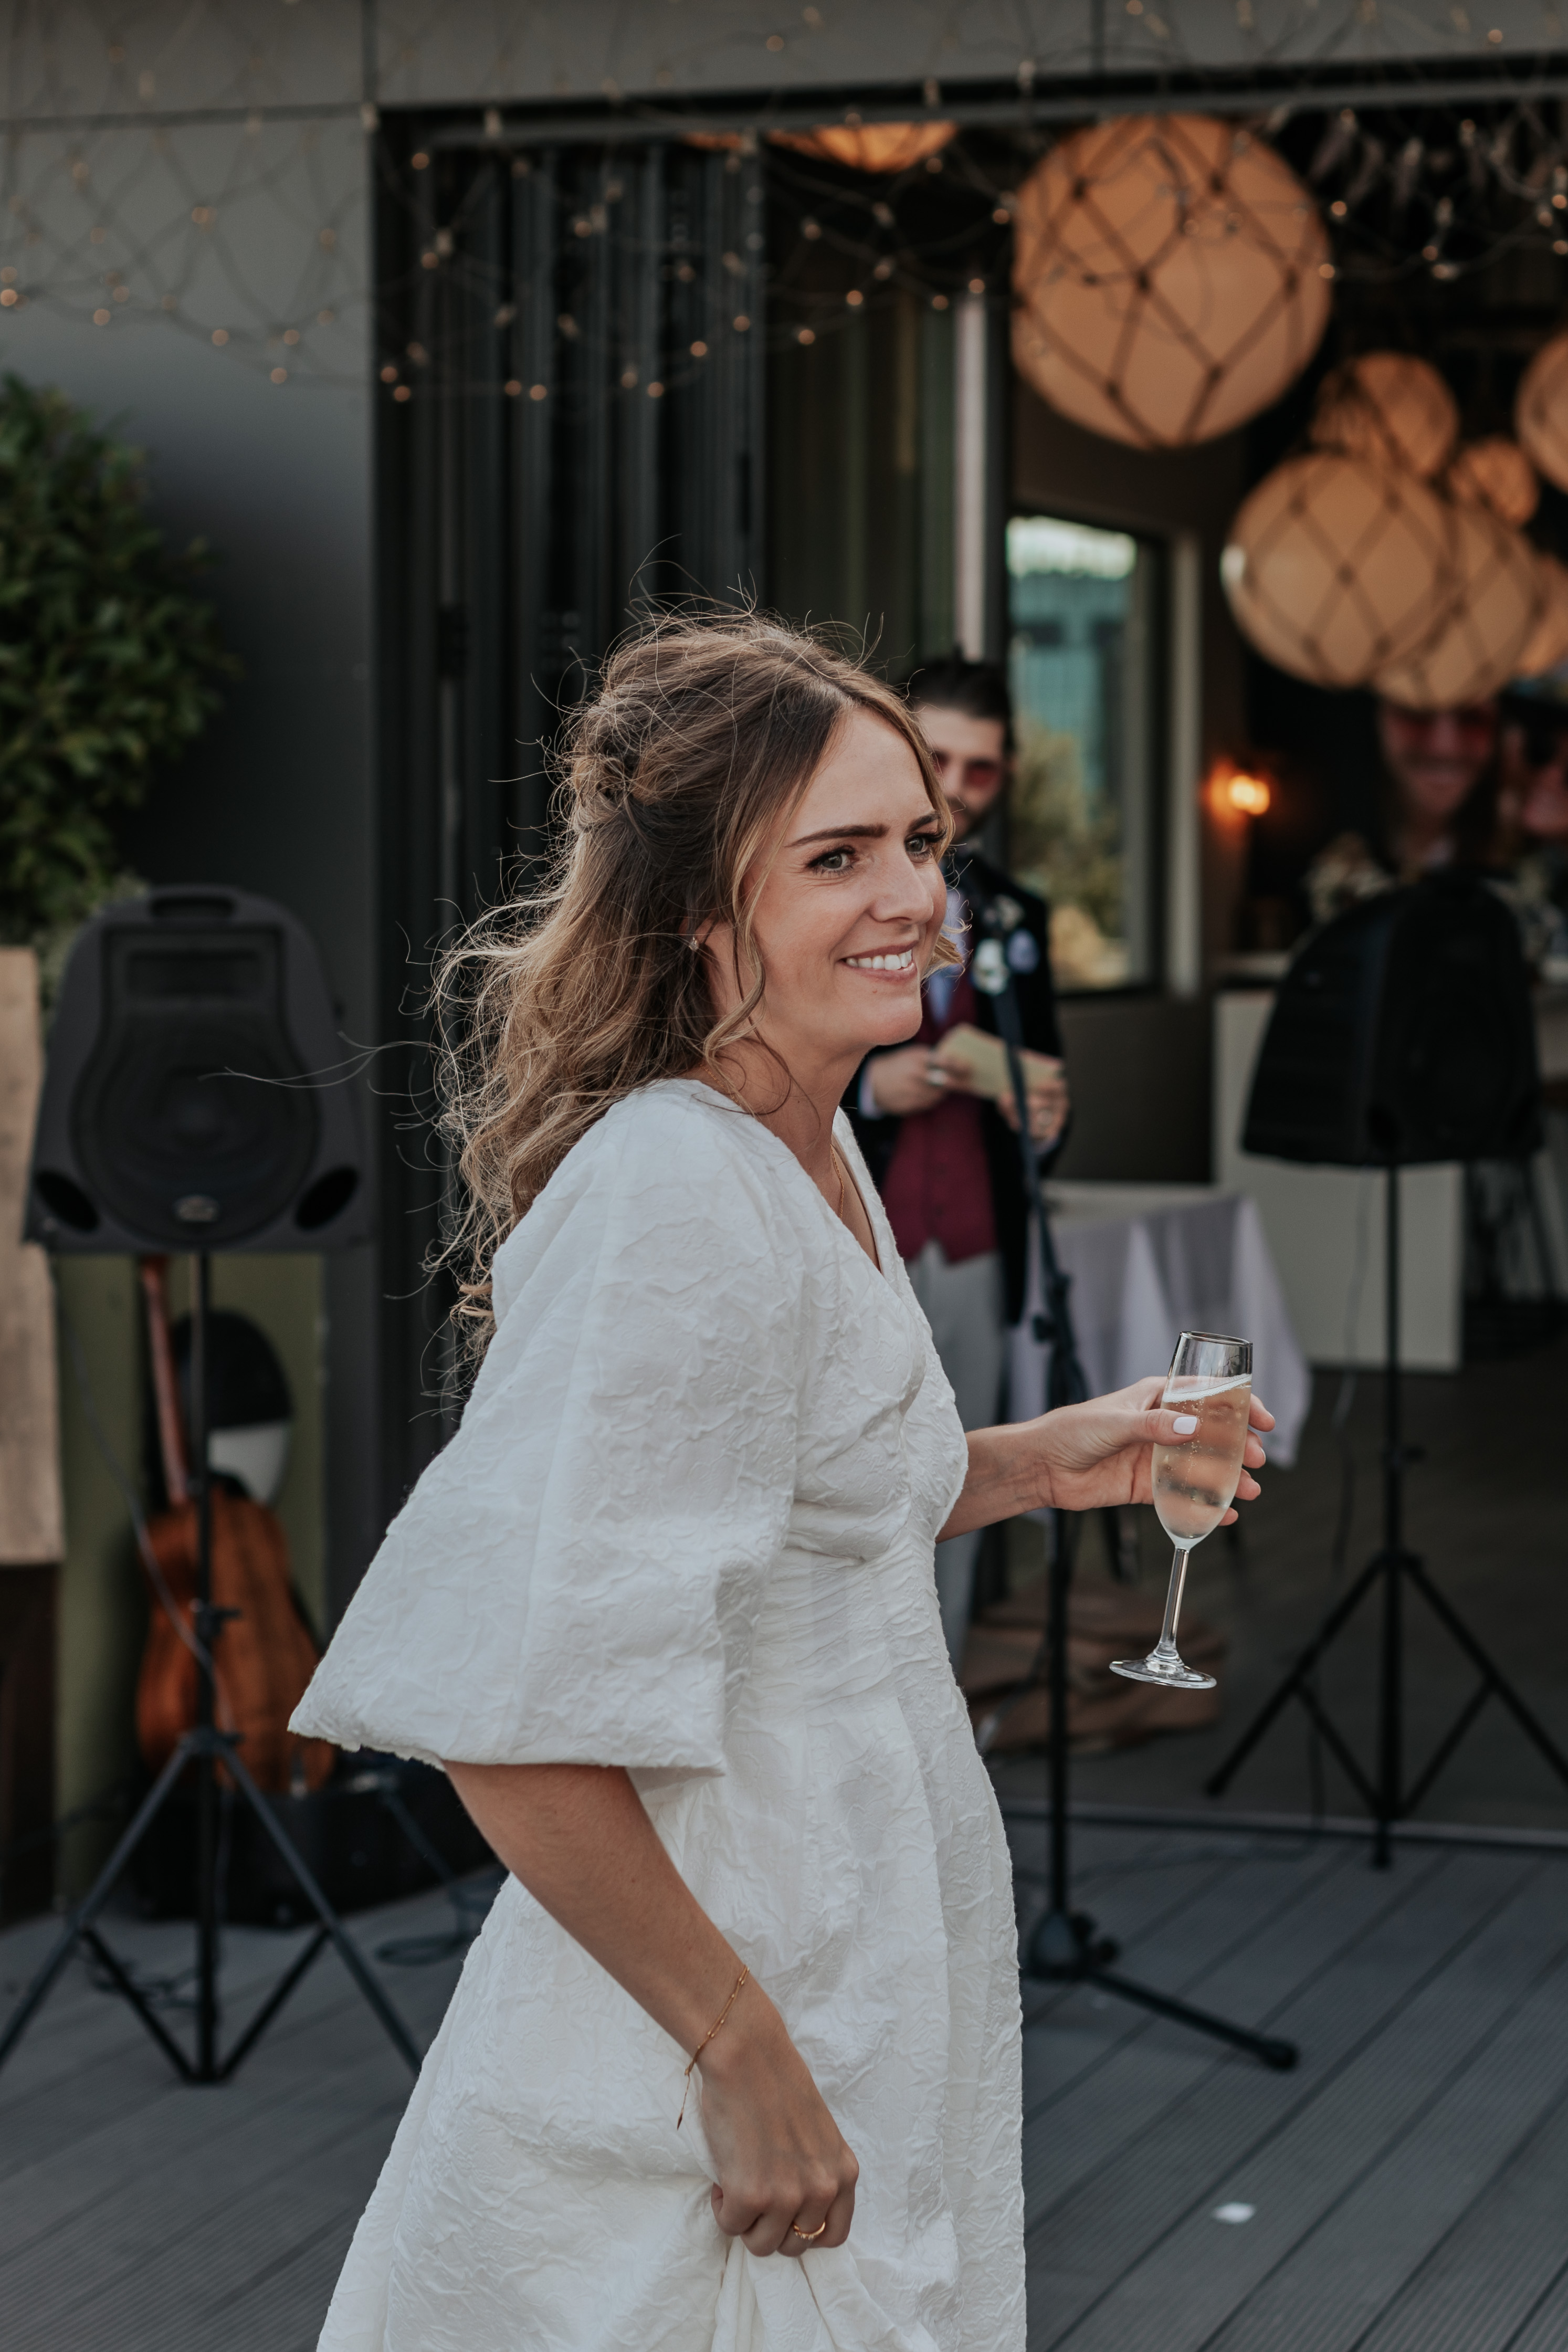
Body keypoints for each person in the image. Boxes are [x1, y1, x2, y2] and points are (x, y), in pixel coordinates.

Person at [291, 617, 1271, 2352]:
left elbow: (799, 1509)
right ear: (696, 908)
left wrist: (1045, 1463)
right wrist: (735, 2054)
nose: (910, 895)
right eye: (836, 857)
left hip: (853, 1939)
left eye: (919, 841)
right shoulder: (674, 1185)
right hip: (725, 1982)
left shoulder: (805, 1142)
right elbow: (511, 1721)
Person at [844, 656, 1069, 1668]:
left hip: (977, 1241)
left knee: (958, 1472)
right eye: (936, 758)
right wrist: (865, 1091)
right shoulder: (833, 886)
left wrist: (1045, 1115)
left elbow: (1046, 1087)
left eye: (980, 770)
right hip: (858, 1232)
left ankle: (944, 1701)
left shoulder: (1017, 915)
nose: (957, 788)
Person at [1304, 696, 1502, 926]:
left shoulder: (1524, 873)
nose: (1444, 747)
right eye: (1416, 712)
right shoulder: (1328, 863)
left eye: (1473, 718)